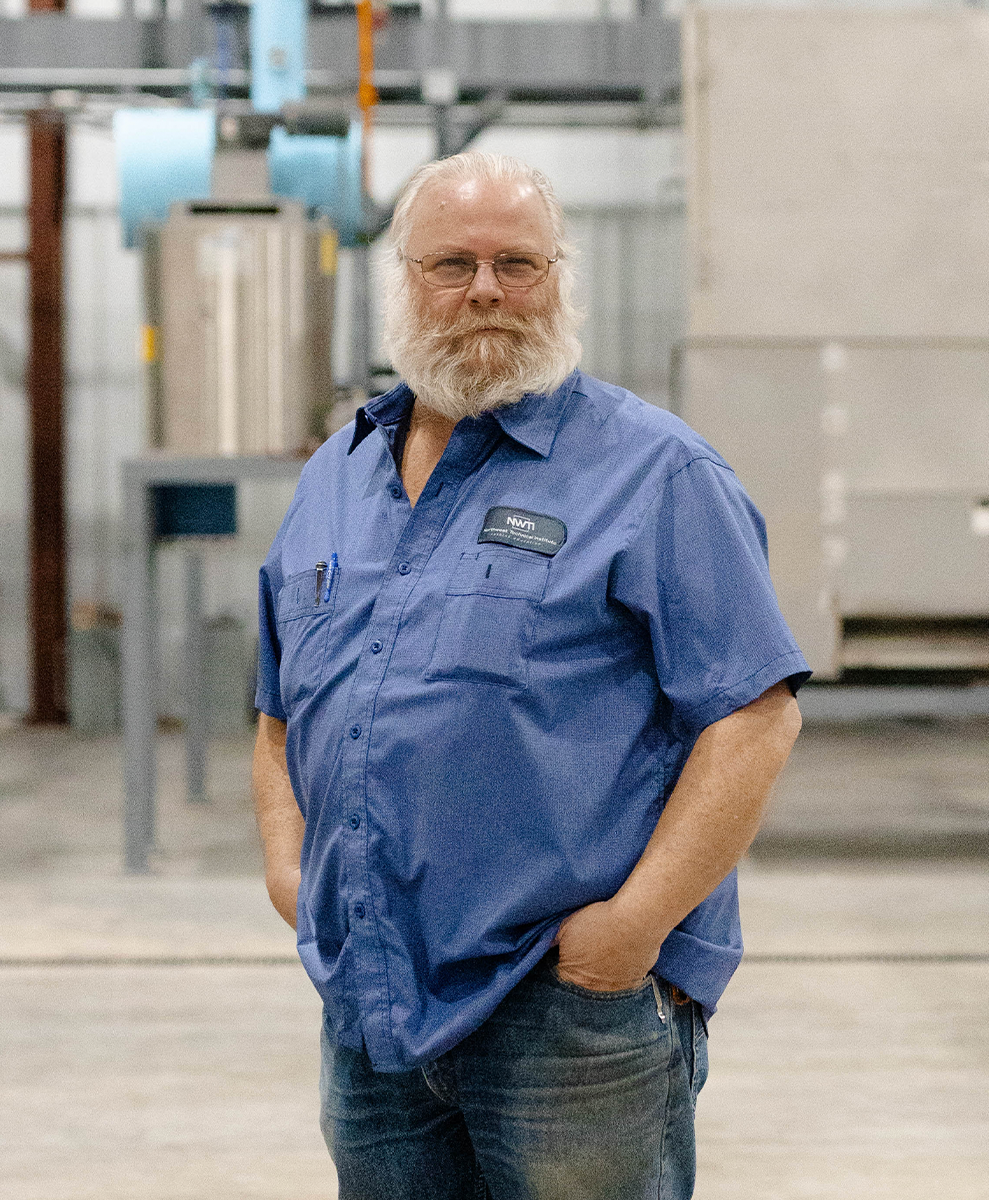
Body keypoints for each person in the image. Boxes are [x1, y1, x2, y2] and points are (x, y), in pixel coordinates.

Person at [252, 150, 809, 1200]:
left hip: (564, 1011)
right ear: (402, 282)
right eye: (452, 264)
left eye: (519, 263)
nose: (486, 292)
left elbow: (753, 716)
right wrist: (292, 875)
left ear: (560, 278)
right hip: (372, 999)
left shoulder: (655, 472)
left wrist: (629, 932)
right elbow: (280, 707)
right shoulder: (338, 472)